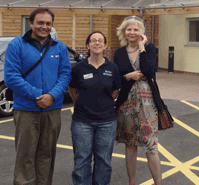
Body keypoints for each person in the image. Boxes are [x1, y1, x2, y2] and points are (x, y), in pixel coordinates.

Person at [4, 8, 71, 185]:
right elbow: (11, 77)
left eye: (48, 23)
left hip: (52, 109)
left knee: (46, 154)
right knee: (25, 155)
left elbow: (65, 75)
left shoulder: (60, 47)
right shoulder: (16, 45)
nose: (44, 26)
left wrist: (52, 95)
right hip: (26, 109)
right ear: (31, 23)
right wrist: (38, 96)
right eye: (40, 22)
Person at [114, 16, 162, 185]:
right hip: (126, 104)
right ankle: (132, 182)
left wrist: (141, 47)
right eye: (129, 29)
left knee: (151, 146)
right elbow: (116, 79)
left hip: (147, 104)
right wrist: (128, 76)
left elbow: (149, 70)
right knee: (130, 144)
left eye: (136, 29)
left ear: (141, 32)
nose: (132, 32)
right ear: (123, 32)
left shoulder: (149, 48)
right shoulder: (119, 53)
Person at [68, 31, 121, 185]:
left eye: (100, 41)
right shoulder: (79, 68)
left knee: (104, 161)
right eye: (93, 40)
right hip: (82, 122)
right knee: (82, 161)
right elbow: (73, 91)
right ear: (87, 45)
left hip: (107, 122)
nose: (97, 43)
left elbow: (114, 92)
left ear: (105, 46)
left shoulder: (112, 68)